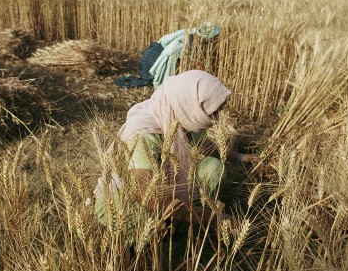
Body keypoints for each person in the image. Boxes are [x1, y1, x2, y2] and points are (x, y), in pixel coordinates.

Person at [95, 70, 260, 244]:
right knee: (149, 229)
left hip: (162, 191)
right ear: (191, 106)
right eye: (214, 113)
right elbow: (148, 197)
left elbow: (206, 146)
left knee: (213, 169)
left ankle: (180, 220)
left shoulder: (181, 116)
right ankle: (161, 233)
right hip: (123, 199)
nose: (217, 119)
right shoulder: (144, 135)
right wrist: (213, 217)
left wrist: (242, 157)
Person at [113, 22, 221, 89]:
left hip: (153, 51)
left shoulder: (188, 32)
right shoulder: (187, 40)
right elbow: (173, 58)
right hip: (156, 58)